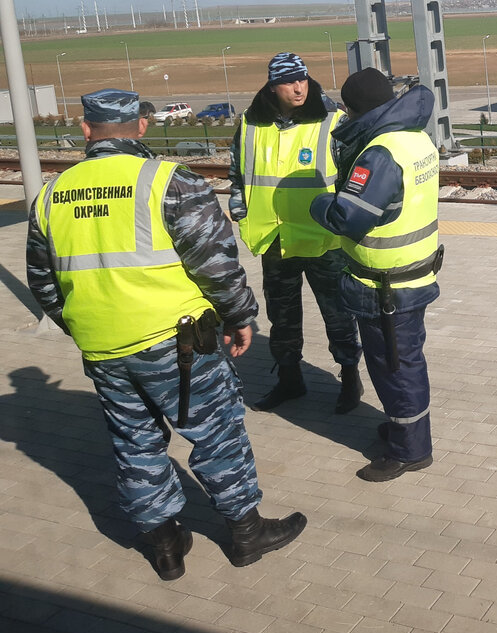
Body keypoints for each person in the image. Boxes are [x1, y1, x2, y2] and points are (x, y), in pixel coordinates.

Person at [26, 89, 306, 581]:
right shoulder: (169, 182)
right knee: (216, 433)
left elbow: (43, 283)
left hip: (103, 347)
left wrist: (86, 325)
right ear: (140, 126)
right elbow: (216, 264)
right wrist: (241, 316)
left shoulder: (51, 194)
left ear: (87, 131)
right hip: (177, 343)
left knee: (134, 443)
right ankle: (245, 533)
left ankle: (166, 546)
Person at [310, 68, 442, 482]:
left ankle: (409, 450)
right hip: (412, 275)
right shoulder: (414, 137)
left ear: (354, 108)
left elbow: (347, 218)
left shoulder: (379, 153)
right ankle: (406, 428)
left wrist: (318, 203)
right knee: (402, 362)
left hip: (385, 286)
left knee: (395, 368)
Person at [229, 52, 363, 413]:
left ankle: (350, 378)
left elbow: (353, 176)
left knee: (337, 313)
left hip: (323, 240)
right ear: (273, 87)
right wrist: (240, 211)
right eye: (289, 81)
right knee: (282, 316)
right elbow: (237, 175)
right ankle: (289, 379)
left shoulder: (331, 121)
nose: (299, 86)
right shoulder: (250, 125)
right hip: (274, 239)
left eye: (302, 78)